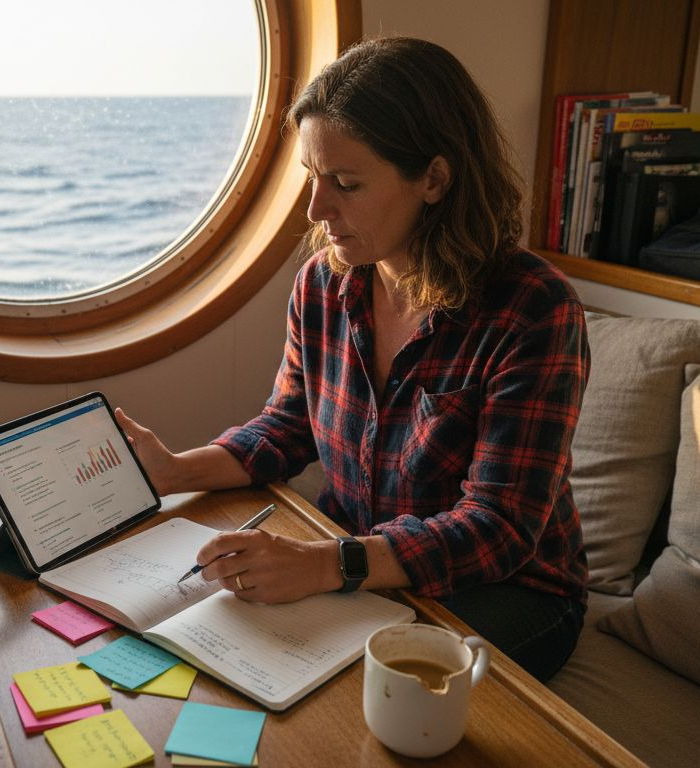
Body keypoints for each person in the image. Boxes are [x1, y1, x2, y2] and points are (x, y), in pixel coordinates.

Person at [116, 36, 589, 682]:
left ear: (434, 179)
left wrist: (325, 564)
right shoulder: (323, 284)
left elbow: (497, 527)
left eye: (345, 183)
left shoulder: (533, 309)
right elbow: (289, 426)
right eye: (312, 177)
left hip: (509, 590)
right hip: (359, 563)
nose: (317, 209)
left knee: (352, 689)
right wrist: (173, 471)